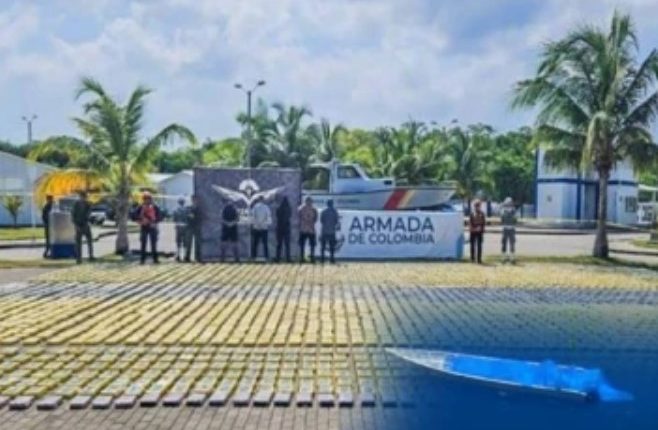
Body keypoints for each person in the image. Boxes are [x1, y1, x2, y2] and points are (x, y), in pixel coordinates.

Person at [137, 192, 162, 264]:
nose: (147, 200)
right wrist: (141, 221)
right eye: (145, 199)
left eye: (148, 198)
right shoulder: (140, 207)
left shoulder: (155, 207)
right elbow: (134, 215)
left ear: (151, 199)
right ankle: (142, 260)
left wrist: (155, 222)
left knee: (153, 244)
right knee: (143, 244)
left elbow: (160, 216)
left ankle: (155, 259)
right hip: (144, 227)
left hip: (152, 227)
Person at [72, 191, 94, 264]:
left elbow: (88, 214)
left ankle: (90, 256)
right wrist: (76, 225)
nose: (83, 198)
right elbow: (73, 215)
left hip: (85, 224)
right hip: (79, 224)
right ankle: (79, 258)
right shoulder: (76, 204)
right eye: (82, 197)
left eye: (84, 197)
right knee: (78, 242)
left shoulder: (88, 204)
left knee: (89, 241)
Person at [251, 196, 272, 260]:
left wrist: (257, 223)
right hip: (263, 227)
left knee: (256, 243)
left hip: (257, 227)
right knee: (264, 243)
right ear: (263, 200)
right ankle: (266, 257)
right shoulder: (266, 207)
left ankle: (254, 257)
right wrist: (264, 223)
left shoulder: (255, 207)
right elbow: (268, 217)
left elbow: (253, 217)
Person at [298, 197, 318, 263]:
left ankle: (302, 258)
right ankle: (312, 258)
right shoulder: (314, 209)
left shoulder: (301, 208)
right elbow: (315, 219)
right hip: (311, 229)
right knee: (312, 245)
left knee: (302, 245)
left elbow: (298, 218)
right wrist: (311, 222)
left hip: (303, 229)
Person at [320, 199, 339, 264]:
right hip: (332, 231)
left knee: (323, 246)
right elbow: (336, 221)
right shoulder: (335, 211)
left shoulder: (323, 211)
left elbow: (321, 220)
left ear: (327, 204)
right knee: (332, 246)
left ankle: (322, 259)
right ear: (332, 204)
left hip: (324, 230)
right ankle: (332, 259)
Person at [184, 194, 203, 263]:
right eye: (193, 199)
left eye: (195, 199)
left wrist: (195, 217)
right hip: (190, 227)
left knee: (198, 243)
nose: (194, 201)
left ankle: (198, 257)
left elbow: (201, 217)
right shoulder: (188, 208)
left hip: (197, 226)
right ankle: (187, 257)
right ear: (191, 200)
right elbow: (186, 216)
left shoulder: (200, 208)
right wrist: (189, 216)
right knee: (188, 243)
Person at [500, 197, 518, 263]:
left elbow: (515, 220)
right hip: (505, 228)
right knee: (504, 243)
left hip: (512, 228)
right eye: (507, 203)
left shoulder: (514, 211)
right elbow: (502, 220)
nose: (508, 204)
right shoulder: (503, 211)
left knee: (512, 243)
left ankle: (512, 258)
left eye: (510, 203)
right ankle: (503, 257)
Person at [275, 196, 292, 263]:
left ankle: (278, 258)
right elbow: (289, 216)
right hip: (286, 228)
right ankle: (288, 258)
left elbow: (277, 216)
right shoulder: (289, 209)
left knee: (279, 244)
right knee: (287, 245)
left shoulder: (278, 209)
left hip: (279, 228)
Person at [469, 200, 486, 264]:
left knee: (479, 246)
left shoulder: (482, 214)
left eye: (478, 206)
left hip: (479, 232)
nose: (477, 207)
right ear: (474, 206)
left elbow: (483, 223)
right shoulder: (472, 214)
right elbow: (470, 223)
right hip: (473, 231)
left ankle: (479, 259)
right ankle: (472, 259)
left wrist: (482, 229)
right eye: (476, 206)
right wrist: (473, 229)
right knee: (472, 246)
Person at [172, 197, 188, 261]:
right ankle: (185, 256)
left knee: (178, 242)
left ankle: (178, 255)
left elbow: (174, 219)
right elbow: (188, 218)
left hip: (178, 226)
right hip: (185, 226)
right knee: (185, 242)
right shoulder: (186, 209)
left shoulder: (175, 210)